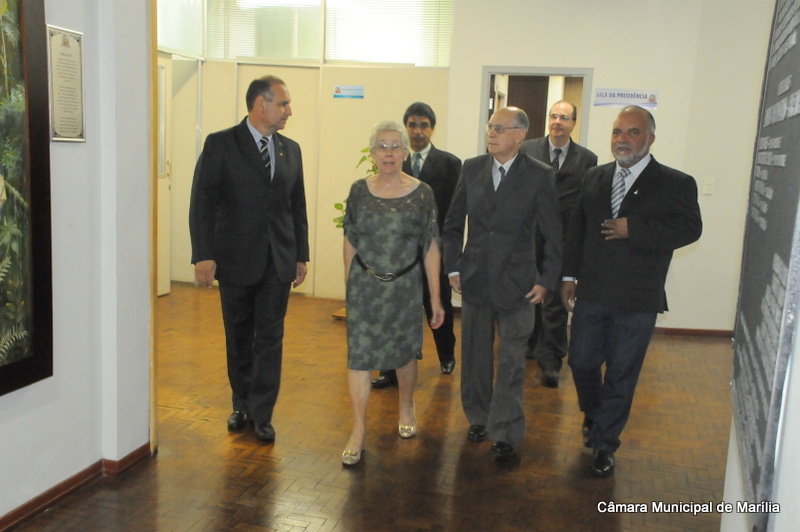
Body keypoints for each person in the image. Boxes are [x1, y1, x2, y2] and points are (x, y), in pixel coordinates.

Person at [561, 105, 702, 477]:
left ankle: (605, 443)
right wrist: (568, 275)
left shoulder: (675, 182)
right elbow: (577, 228)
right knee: (581, 362)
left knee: (622, 373)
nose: (622, 139)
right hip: (592, 291)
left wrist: (633, 229)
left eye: (632, 132)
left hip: (637, 298)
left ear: (650, 138)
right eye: (617, 132)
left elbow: (690, 229)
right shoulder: (594, 176)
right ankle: (594, 412)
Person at [189, 75, 309, 443]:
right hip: (235, 259)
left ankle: (262, 413)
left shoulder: (291, 149)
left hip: (278, 260)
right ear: (261, 104)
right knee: (239, 335)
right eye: (283, 103)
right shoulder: (221, 144)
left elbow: (297, 207)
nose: (289, 111)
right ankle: (240, 403)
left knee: (270, 338)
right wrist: (203, 255)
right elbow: (202, 203)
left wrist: (301, 255)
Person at [442, 107, 562, 459]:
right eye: (490, 127)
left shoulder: (540, 175)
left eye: (500, 128)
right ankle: (478, 417)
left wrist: (546, 280)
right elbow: (452, 225)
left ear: (520, 135)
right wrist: (452, 267)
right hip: (475, 278)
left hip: (519, 283)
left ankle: (507, 429)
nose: (491, 133)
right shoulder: (472, 168)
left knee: (511, 360)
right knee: (475, 356)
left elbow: (553, 234)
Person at [341, 121, 445, 466]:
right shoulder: (359, 191)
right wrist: (349, 286)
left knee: (404, 354)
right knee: (359, 357)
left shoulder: (422, 193)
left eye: (395, 146)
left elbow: (430, 246)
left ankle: (406, 405)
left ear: (405, 153)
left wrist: (435, 298)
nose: (388, 153)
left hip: (404, 287)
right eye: (382, 146)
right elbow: (350, 239)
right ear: (372, 153)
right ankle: (358, 429)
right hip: (365, 288)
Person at [372, 102, 461, 389]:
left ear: (432, 128)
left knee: (438, 304)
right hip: (399, 253)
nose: (418, 131)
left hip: (435, 249)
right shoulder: (395, 161)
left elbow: (455, 213)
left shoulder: (450, 164)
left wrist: (449, 250)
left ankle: (446, 355)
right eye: (412, 125)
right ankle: (389, 368)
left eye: (424, 125)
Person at [520, 101, 598, 388]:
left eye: (564, 117)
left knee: (555, 302)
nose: (557, 121)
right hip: (529, 239)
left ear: (573, 123)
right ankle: (530, 344)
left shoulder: (587, 159)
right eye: (554, 116)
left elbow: (586, 203)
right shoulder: (527, 149)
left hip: (562, 241)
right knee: (528, 295)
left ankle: (551, 361)